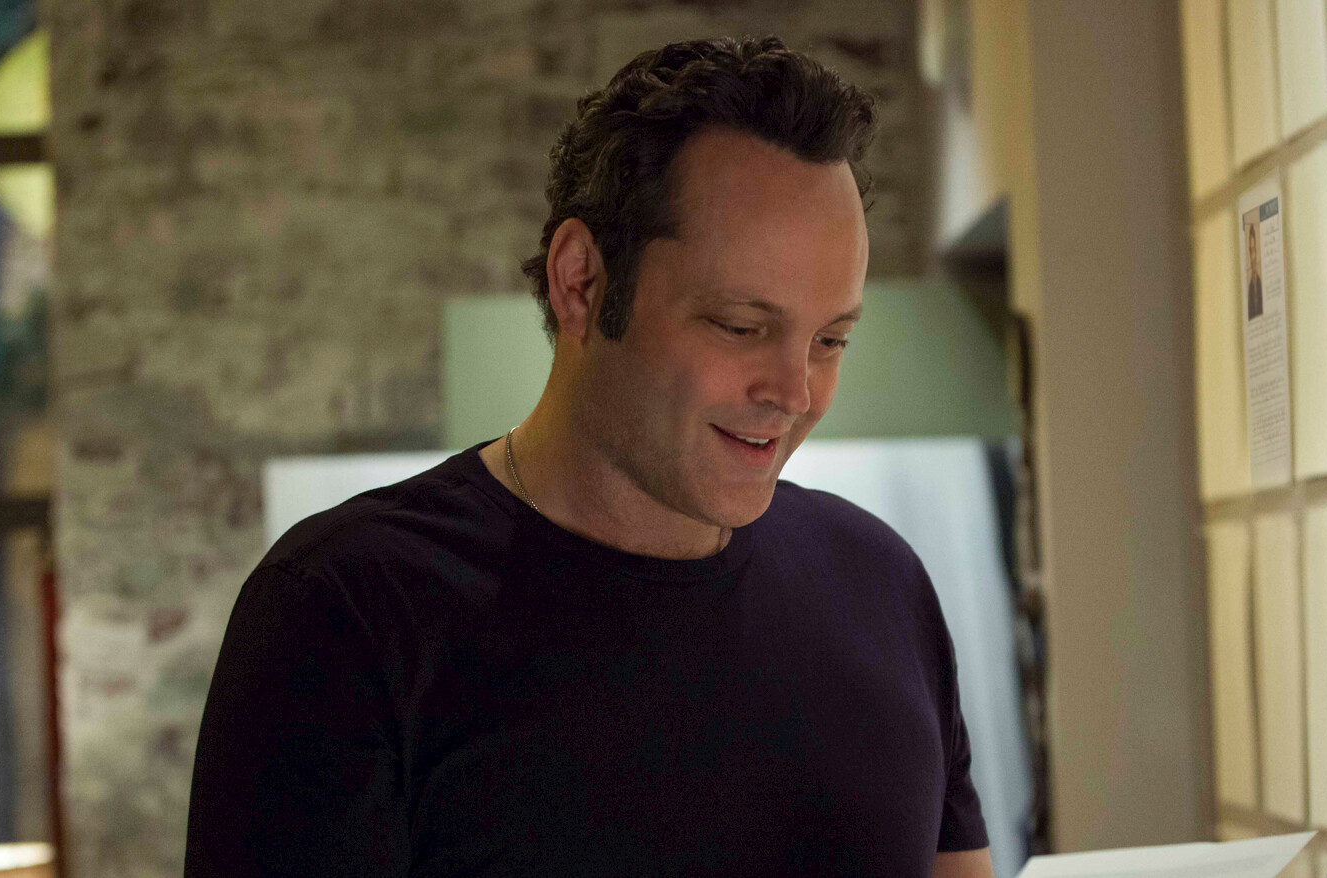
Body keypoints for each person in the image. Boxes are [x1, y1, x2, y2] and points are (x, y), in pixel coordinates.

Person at [182, 37, 993, 878]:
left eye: (830, 339)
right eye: (741, 327)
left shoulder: (881, 582)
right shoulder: (346, 612)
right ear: (581, 282)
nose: (796, 391)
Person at [1244, 218, 1263, 320]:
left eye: (1254, 250)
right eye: (1251, 250)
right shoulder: (1249, 286)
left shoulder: (1261, 282)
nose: (1253, 255)